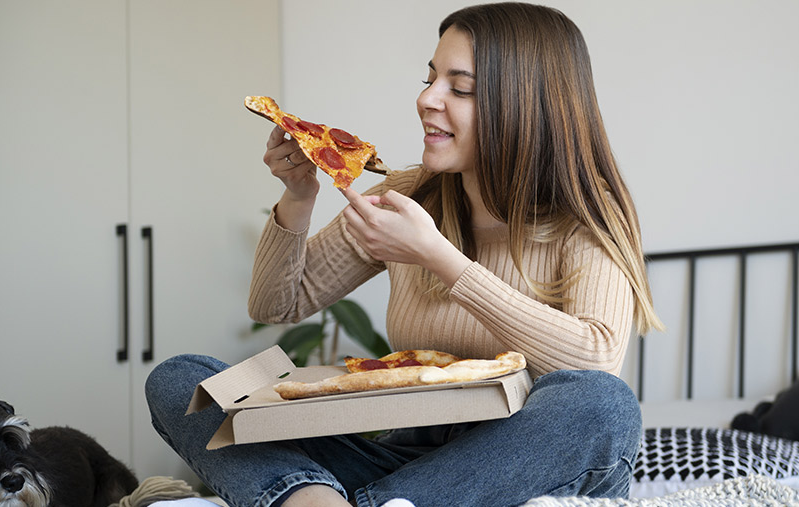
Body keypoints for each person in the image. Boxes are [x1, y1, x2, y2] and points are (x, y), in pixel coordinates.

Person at [146, 3, 663, 506]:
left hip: (517, 468)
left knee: (603, 406)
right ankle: (318, 502)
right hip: (404, 465)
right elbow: (277, 306)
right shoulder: (411, 194)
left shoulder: (586, 214)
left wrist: (440, 257)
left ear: (524, 106)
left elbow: (596, 361)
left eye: (459, 88)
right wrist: (299, 197)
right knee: (183, 378)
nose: (428, 99)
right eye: (430, 79)